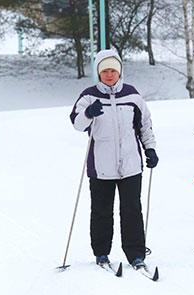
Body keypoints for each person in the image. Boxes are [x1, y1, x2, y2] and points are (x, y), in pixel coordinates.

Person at [69, 49, 158, 269]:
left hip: (130, 165)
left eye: (113, 70)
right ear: (99, 73)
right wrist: (89, 112)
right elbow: (77, 124)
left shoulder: (132, 95)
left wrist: (150, 149)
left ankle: (136, 254)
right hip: (101, 166)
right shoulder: (89, 96)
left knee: (131, 210)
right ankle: (101, 253)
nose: (109, 75)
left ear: (119, 72)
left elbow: (144, 124)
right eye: (105, 71)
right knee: (101, 211)